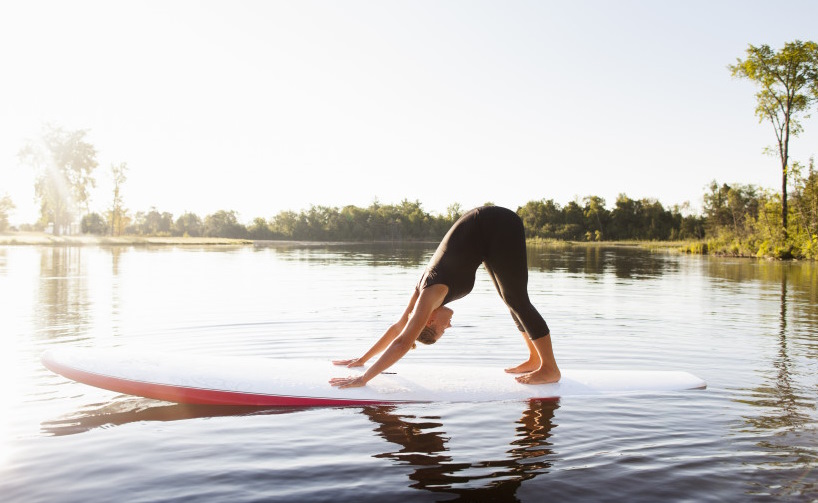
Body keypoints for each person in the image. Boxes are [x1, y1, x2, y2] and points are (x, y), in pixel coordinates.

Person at [330, 205, 560, 389]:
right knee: (511, 300)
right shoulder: (423, 293)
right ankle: (535, 359)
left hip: (495, 224)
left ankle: (549, 368)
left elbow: (402, 340)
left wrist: (364, 378)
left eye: (442, 330)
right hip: (487, 231)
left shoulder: (430, 295)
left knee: (517, 299)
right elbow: (399, 327)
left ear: (429, 321)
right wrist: (362, 359)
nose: (448, 326)